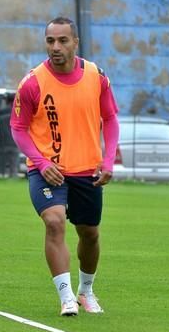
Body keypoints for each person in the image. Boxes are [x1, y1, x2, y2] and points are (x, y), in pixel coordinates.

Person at [10, 17, 119, 316]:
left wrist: (108, 160)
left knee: (90, 234)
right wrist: (42, 162)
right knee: (55, 222)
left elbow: (109, 119)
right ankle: (66, 296)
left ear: (75, 43)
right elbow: (18, 126)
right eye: (50, 41)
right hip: (47, 171)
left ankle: (86, 291)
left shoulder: (96, 76)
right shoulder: (32, 82)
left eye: (62, 40)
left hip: (87, 171)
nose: (55, 47)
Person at [0, 94, 20, 178]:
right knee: (14, 165)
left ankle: (1, 176)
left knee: (1, 164)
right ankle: (13, 177)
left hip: (3, 142)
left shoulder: (1, 112)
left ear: (6, 101)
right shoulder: (19, 112)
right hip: (15, 142)